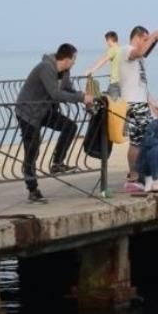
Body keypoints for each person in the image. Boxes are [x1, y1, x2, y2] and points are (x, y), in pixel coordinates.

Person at [15, 43, 94, 203]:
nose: (74, 62)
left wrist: (83, 96)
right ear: (66, 58)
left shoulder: (64, 71)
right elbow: (56, 93)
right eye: (74, 59)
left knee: (70, 126)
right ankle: (33, 190)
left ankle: (57, 162)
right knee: (32, 151)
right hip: (27, 113)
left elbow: (68, 89)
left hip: (43, 111)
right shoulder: (46, 68)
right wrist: (80, 98)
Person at [118, 24, 158, 192]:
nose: (146, 43)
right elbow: (140, 52)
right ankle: (136, 176)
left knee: (139, 140)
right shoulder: (127, 50)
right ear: (137, 37)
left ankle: (138, 175)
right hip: (133, 104)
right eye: (145, 40)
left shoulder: (138, 59)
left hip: (142, 102)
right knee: (143, 140)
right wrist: (154, 35)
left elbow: (140, 84)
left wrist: (152, 102)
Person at [85, 31, 123, 99]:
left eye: (106, 41)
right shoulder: (122, 49)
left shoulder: (113, 49)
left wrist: (91, 70)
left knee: (110, 106)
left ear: (109, 40)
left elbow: (103, 60)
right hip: (124, 82)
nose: (106, 43)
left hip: (114, 83)